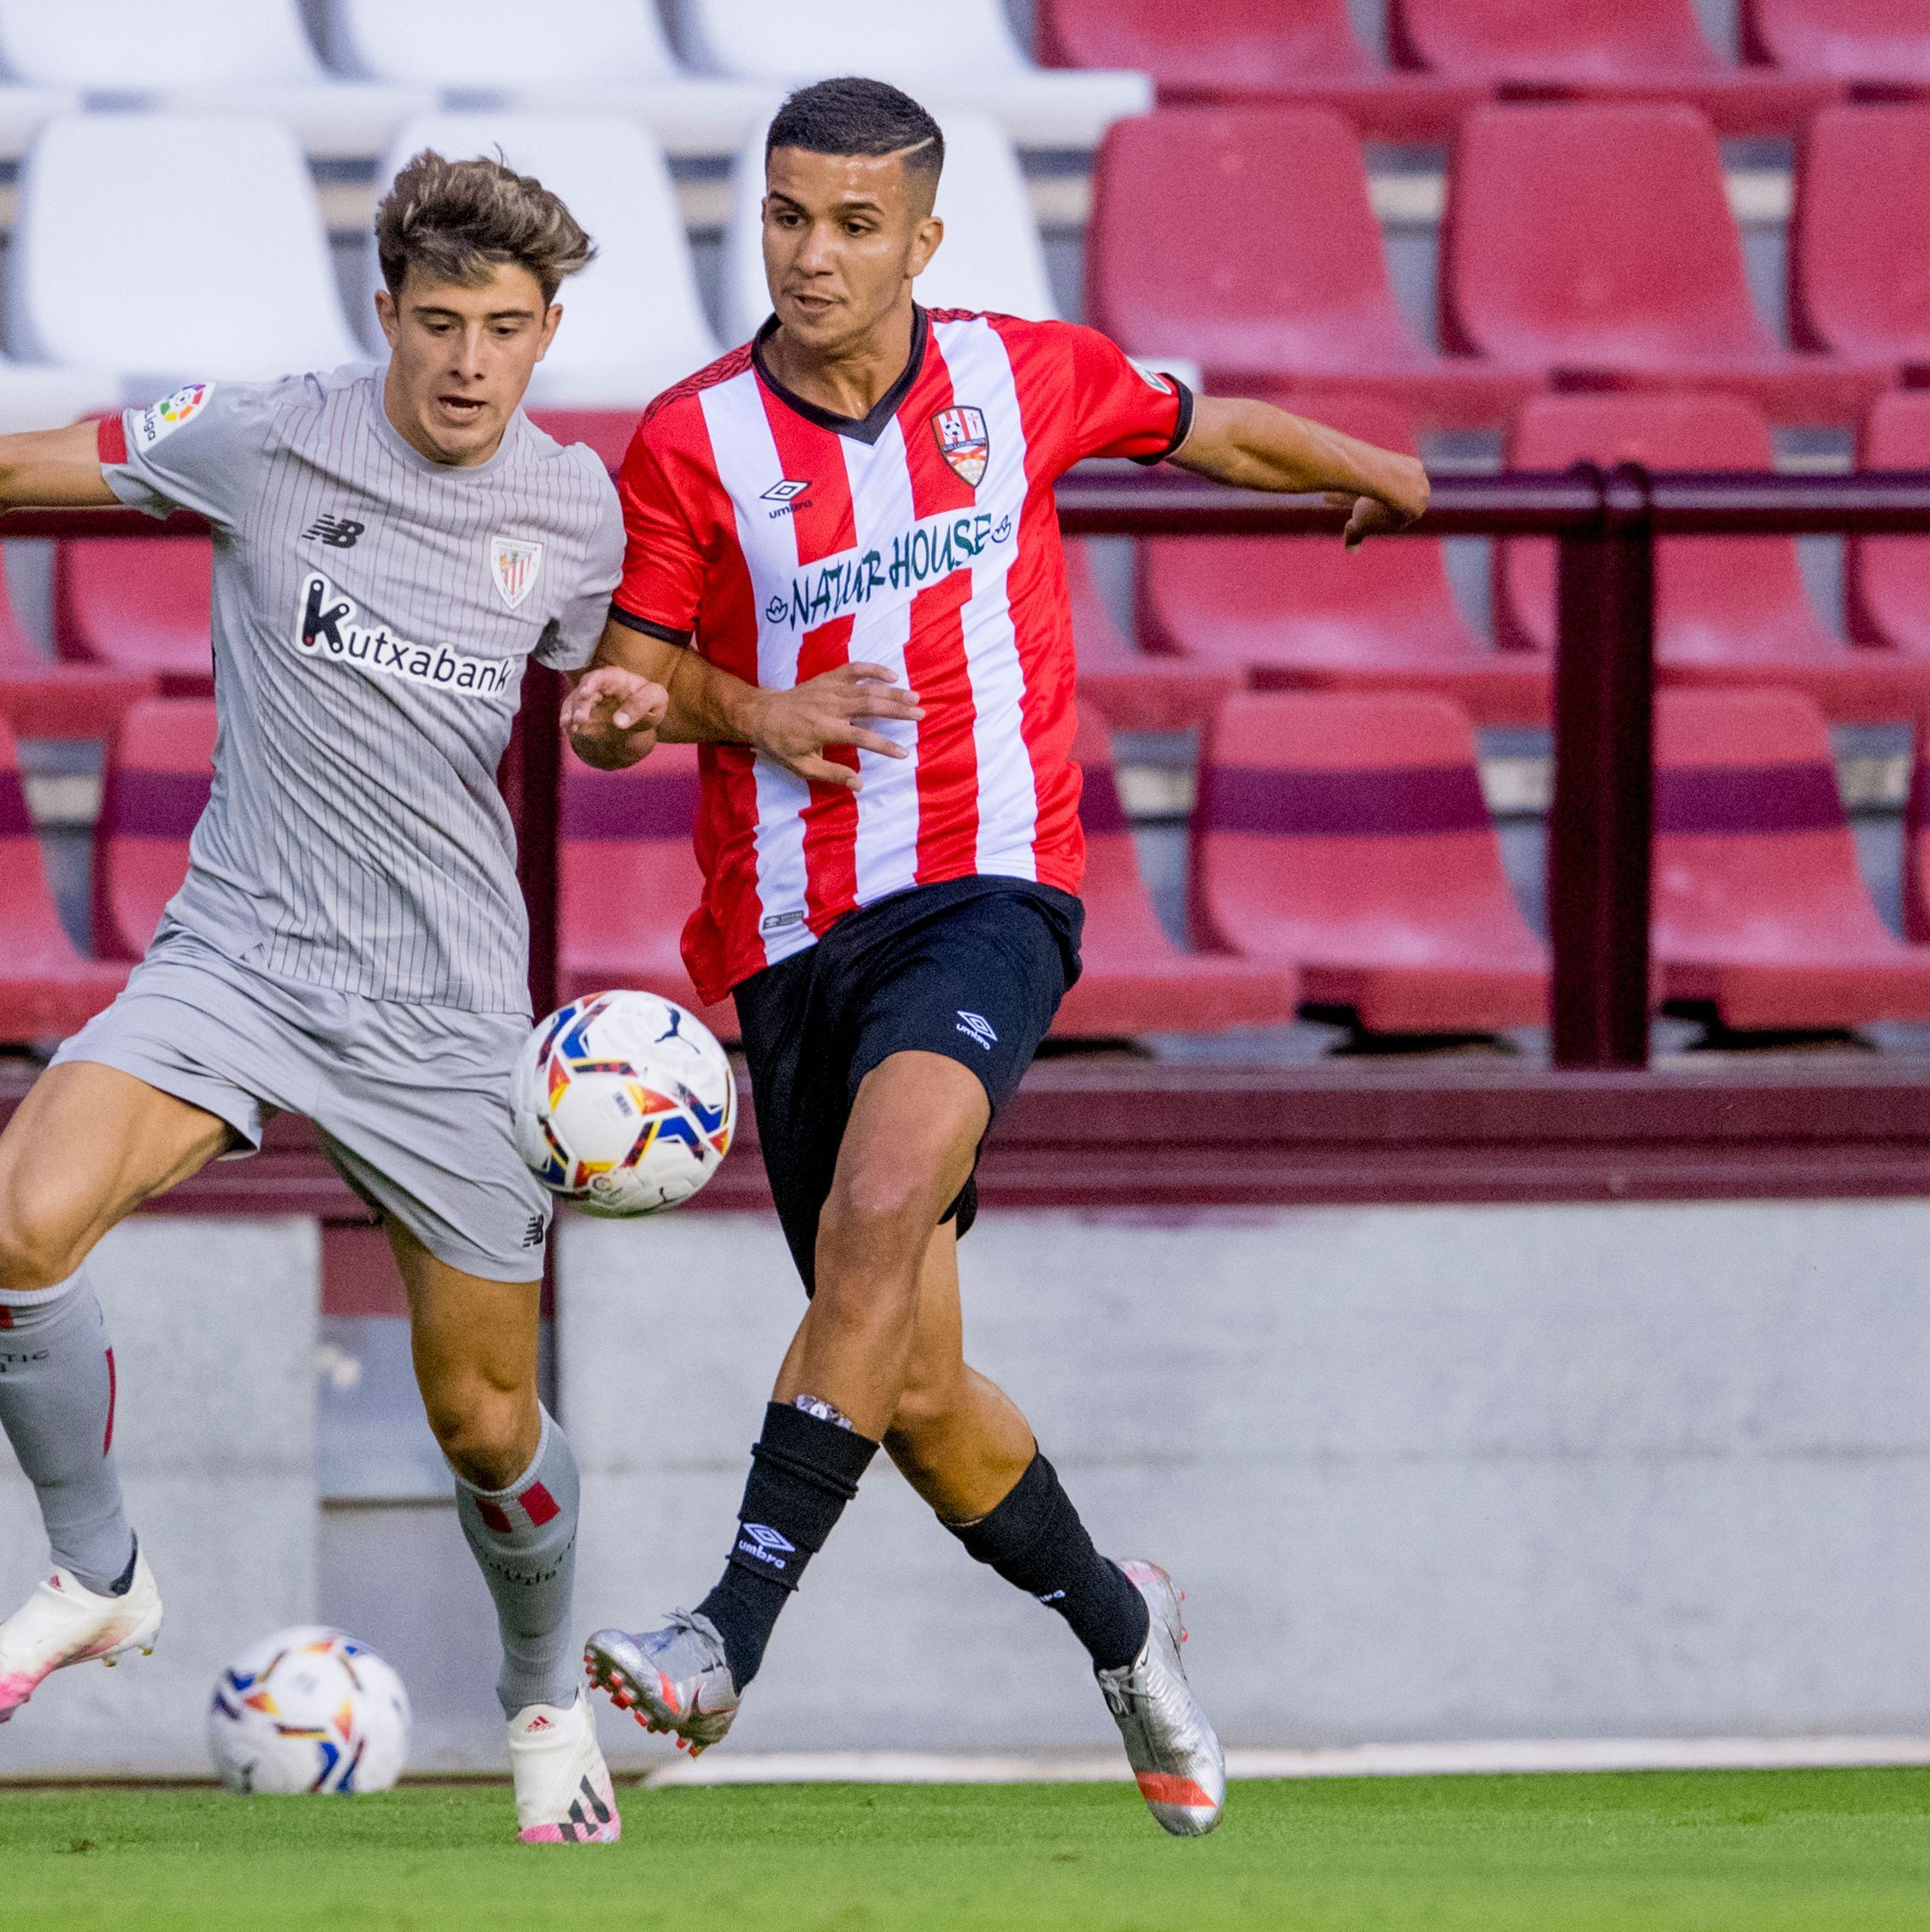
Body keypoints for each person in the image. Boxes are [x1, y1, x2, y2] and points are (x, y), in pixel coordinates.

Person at [0, 152, 631, 1847]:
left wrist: (651, 716)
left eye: (504, 328)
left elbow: (628, 676)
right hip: (241, 961)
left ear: (550, 330)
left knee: (486, 1424)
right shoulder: (263, 437)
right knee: (16, 1227)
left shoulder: (575, 513)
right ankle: (97, 1572)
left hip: (445, 1012)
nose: (470, 361)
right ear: (385, 317)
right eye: (439, 324)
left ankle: (549, 1697)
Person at [563, 78, 1431, 1838]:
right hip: (788, 936)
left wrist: (1364, 465)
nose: (815, 255)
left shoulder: (1019, 377)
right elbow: (625, 696)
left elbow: (1203, 426)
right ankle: (1126, 1625)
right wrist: (726, 708)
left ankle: (726, 1637)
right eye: (790, 216)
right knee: (918, 1388)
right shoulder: (688, 441)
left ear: (924, 241)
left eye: (855, 224)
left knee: (884, 1201)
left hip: (991, 889)